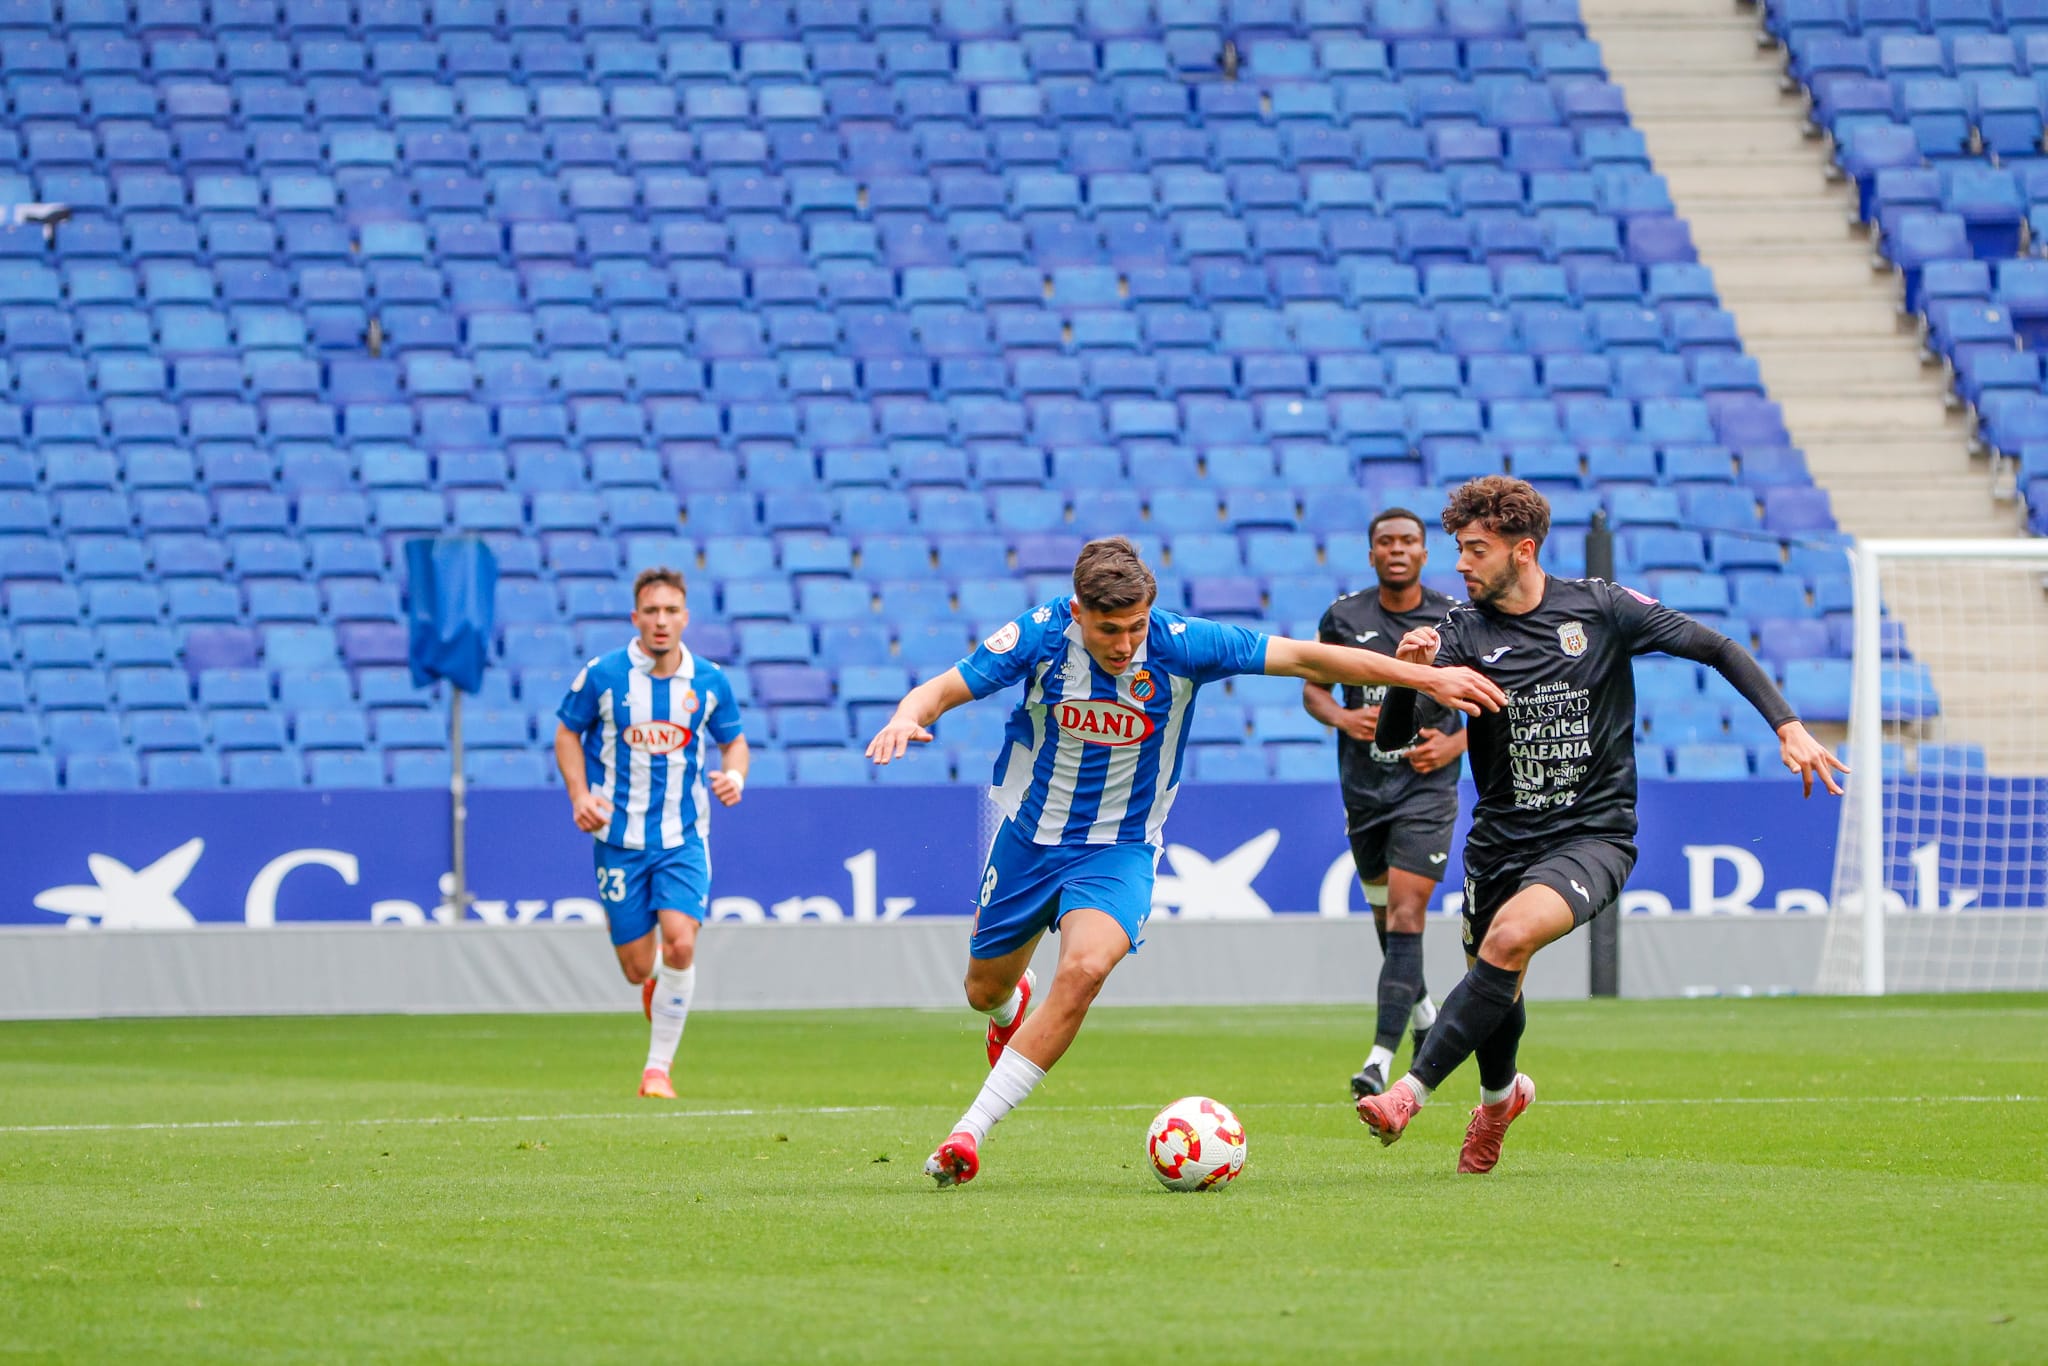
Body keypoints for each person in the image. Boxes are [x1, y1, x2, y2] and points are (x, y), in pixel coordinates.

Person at [863, 537, 1508, 1188]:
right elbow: (944, 688)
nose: (1123, 644)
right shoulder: (1038, 636)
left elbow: (1305, 656)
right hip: (1031, 840)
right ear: (1078, 614)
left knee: (1086, 968)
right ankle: (1010, 1010)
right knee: (985, 992)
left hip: (1120, 850)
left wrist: (1426, 676)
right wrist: (904, 716)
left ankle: (966, 1134)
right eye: (1109, 629)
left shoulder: (1183, 643)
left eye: (1135, 627)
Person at [1356, 477, 1846, 1173]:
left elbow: (1717, 647)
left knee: (1510, 937)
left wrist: (1788, 725)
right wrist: (1409, 679)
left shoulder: (1601, 608)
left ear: (1522, 551)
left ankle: (1409, 1091)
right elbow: (1393, 743)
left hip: (1594, 835)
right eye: (1458, 550)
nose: (1458, 565)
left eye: (1474, 550)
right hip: (1498, 842)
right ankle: (1499, 1101)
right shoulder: (1459, 633)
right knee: (1499, 976)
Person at [554, 567, 749, 1100]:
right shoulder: (603, 674)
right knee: (638, 966)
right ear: (635, 618)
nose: (661, 621)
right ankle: (654, 987)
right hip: (618, 838)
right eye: (651, 611)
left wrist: (733, 777)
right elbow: (567, 733)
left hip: (683, 836)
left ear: (685, 617)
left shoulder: (709, 680)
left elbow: (735, 742)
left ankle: (657, 1070)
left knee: (681, 944)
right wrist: (579, 795)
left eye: (671, 611)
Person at [1303, 507, 1467, 1100]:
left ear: (1424, 554)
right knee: (1387, 919)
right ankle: (1424, 1016)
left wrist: (1456, 739)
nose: (1397, 549)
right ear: (1371, 554)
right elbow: (1313, 689)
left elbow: (1496, 691)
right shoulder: (1344, 617)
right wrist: (1345, 716)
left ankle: (1377, 1061)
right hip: (1364, 793)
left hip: (1427, 790)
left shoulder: (1455, 618)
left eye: (1408, 541)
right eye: (1385, 542)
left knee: (1405, 916)